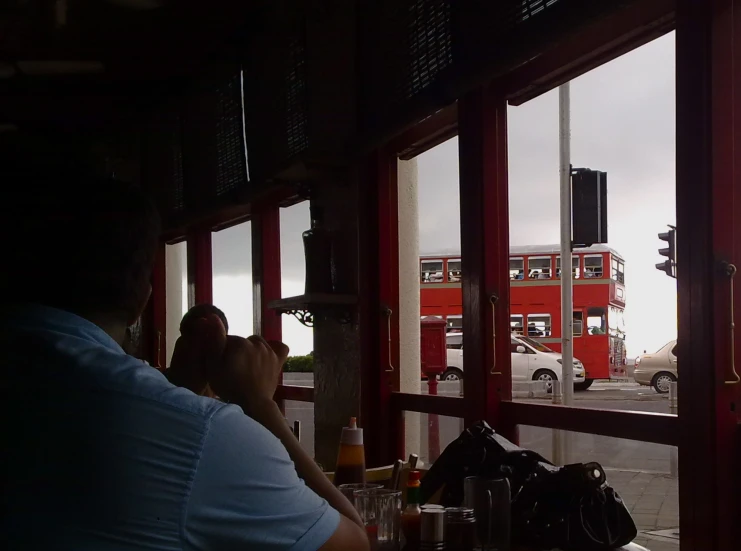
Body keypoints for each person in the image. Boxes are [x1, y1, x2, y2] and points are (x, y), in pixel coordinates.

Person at [0, 134, 369, 551]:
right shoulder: (206, 434)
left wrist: (175, 387)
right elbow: (352, 543)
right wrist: (257, 404)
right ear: (143, 298)